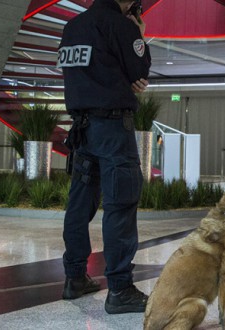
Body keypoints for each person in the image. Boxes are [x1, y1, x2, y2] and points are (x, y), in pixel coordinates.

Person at [57, 0, 151, 314]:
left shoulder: (72, 28)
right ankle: (120, 289)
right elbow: (140, 70)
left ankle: (74, 277)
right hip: (112, 130)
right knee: (120, 204)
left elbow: (91, 70)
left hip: (82, 131)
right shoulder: (120, 26)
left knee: (79, 204)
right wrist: (138, 33)